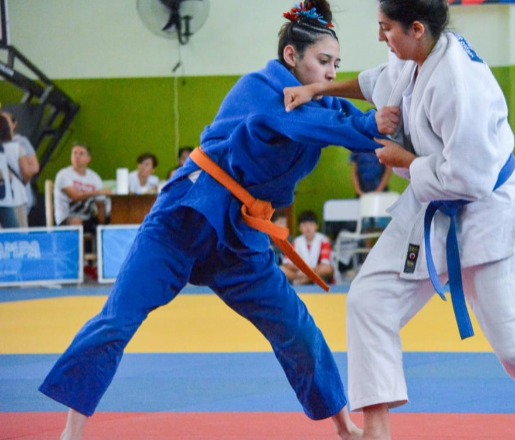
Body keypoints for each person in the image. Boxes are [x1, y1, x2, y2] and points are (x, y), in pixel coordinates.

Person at [38, 2, 399, 439]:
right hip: (184, 219)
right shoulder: (261, 87)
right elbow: (305, 125)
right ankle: (71, 431)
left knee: (297, 329)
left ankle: (344, 428)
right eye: (324, 61)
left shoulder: (321, 103)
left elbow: (359, 126)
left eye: (336, 65)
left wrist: (393, 128)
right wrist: (370, 124)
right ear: (291, 56)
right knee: (118, 318)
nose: (330, 72)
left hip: (241, 240)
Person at [284, 1, 515, 439]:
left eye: (386, 28)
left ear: (417, 28)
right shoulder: (413, 56)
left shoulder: (457, 81)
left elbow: (470, 177)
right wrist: (317, 90)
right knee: (368, 300)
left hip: (490, 212)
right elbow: (376, 82)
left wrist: (405, 161)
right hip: (432, 206)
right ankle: (375, 431)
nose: (380, 37)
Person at [53, 144, 111, 233]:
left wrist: (102, 226)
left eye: (81, 154)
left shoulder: (95, 177)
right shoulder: (63, 175)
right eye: (74, 153)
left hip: (87, 218)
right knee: (76, 222)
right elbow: (75, 196)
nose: (77, 156)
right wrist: (98, 192)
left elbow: (100, 205)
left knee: (111, 221)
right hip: (66, 219)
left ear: (88, 159)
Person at [2, 111, 39, 226]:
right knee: (18, 232)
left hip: (5, 196)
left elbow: (33, 168)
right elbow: (26, 172)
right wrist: (22, 182)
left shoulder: (21, 142)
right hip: (16, 196)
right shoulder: (16, 148)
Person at [281, 210, 334, 285]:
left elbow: (325, 263)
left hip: (316, 271)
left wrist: (308, 272)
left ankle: (305, 281)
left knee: (327, 269)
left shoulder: (324, 240)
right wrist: (303, 271)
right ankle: (309, 280)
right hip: (300, 273)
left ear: (317, 226)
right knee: (281, 269)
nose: (308, 228)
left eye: (311, 224)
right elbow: (287, 263)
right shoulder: (296, 241)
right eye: (304, 225)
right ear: (299, 227)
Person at [0, 115, 18, 228]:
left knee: (12, 232)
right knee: (12, 231)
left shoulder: (2, 148)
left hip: (5, 197)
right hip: (4, 197)